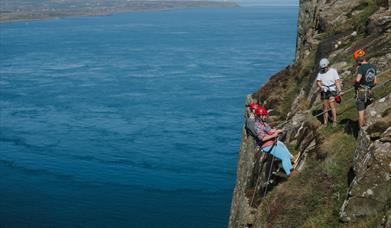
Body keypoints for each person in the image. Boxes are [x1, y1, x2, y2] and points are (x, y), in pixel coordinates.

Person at [253, 106, 298, 177]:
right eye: (264, 115)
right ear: (259, 115)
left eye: (265, 115)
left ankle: (291, 169)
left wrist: (278, 131)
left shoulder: (263, 123)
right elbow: (263, 138)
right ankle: (290, 174)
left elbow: (270, 131)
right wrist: (274, 135)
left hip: (271, 143)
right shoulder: (257, 126)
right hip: (267, 145)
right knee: (284, 157)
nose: (265, 117)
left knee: (285, 154)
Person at [353, 49, 378, 128]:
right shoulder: (373, 67)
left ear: (358, 60)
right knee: (369, 111)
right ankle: (370, 128)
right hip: (370, 91)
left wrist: (356, 85)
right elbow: (375, 81)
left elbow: (357, 80)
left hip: (361, 92)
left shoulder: (361, 68)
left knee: (361, 113)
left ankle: (361, 132)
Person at [316, 58, 342, 127]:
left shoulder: (333, 71)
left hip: (332, 89)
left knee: (332, 105)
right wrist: (321, 87)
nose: (324, 69)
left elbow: (337, 81)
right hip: (324, 90)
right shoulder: (320, 73)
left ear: (328, 65)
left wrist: (339, 90)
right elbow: (318, 82)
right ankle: (325, 122)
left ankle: (334, 121)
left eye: (325, 67)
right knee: (325, 107)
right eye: (323, 68)